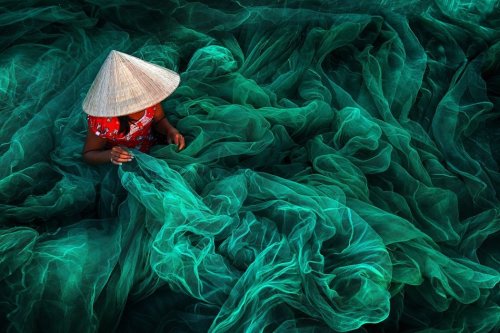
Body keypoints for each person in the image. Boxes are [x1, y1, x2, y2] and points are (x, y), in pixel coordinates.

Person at [81, 50, 185, 165]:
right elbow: (89, 154)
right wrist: (110, 155)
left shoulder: (150, 97)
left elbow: (159, 119)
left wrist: (170, 130)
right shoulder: (103, 122)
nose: (144, 103)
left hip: (151, 146)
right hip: (123, 162)